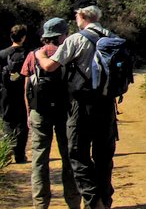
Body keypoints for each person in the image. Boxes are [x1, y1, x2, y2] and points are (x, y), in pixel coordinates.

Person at [35, 5, 117, 209]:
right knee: (103, 155)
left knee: (78, 154)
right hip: (107, 105)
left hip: (82, 105)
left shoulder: (76, 39)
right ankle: (105, 200)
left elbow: (50, 66)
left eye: (76, 16)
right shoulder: (112, 37)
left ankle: (92, 200)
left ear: (82, 17)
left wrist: (40, 56)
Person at [23, 17, 81, 209]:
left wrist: (29, 112)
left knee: (39, 159)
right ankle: (73, 201)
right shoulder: (67, 53)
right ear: (61, 35)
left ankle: (40, 204)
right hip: (65, 111)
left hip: (39, 111)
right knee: (69, 157)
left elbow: (27, 86)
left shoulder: (33, 55)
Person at [1, 23, 30, 163]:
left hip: (6, 93)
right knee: (22, 123)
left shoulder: (2, 54)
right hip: (22, 92)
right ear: (23, 37)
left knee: (7, 121)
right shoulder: (28, 53)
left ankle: (7, 152)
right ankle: (19, 154)